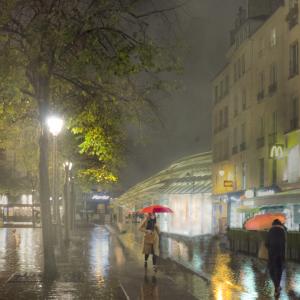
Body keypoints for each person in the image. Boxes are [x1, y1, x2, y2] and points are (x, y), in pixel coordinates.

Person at [265, 219, 287, 298]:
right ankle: (277, 287)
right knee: (279, 271)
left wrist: (270, 247)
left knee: (272, 270)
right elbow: (284, 243)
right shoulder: (283, 231)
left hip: (272, 255)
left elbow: (266, 244)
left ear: (273, 224)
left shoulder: (270, 231)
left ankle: (276, 287)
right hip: (281, 255)